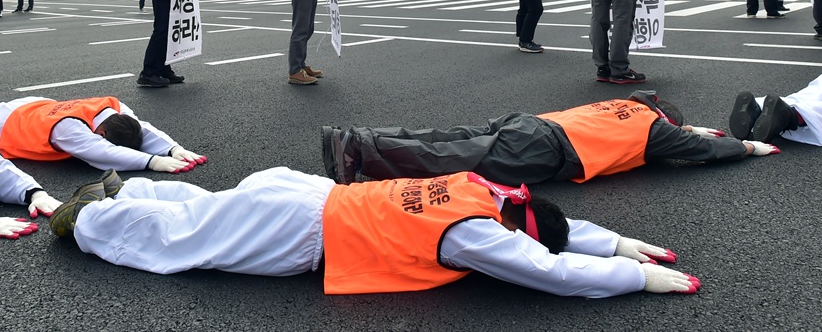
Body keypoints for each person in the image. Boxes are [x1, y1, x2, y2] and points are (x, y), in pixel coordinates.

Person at [51, 166, 701, 297]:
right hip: (305, 230)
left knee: (209, 207)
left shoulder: (484, 189)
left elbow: (555, 228)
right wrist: (638, 274)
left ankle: (131, 189)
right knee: (188, 244)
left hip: (307, 190)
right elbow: (552, 268)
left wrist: (615, 240)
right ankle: (87, 217)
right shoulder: (476, 232)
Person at [319, 90, 777, 187]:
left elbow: (690, 134)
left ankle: (357, 136)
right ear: (666, 122)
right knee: (451, 159)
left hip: (529, 122)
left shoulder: (628, 107)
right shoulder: (654, 132)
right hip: (544, 150)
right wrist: (751, 146)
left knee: (446, 136)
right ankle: (359, 151)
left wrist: (691, 125)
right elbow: (701, 149)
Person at [0, 89, 207, 172]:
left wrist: (173, 148)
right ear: (100, 134)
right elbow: (102, 153)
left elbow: (143, 128)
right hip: (12, 126)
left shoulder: (112, 106)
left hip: (35, 105)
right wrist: (151, 161)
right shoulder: (70, 131)